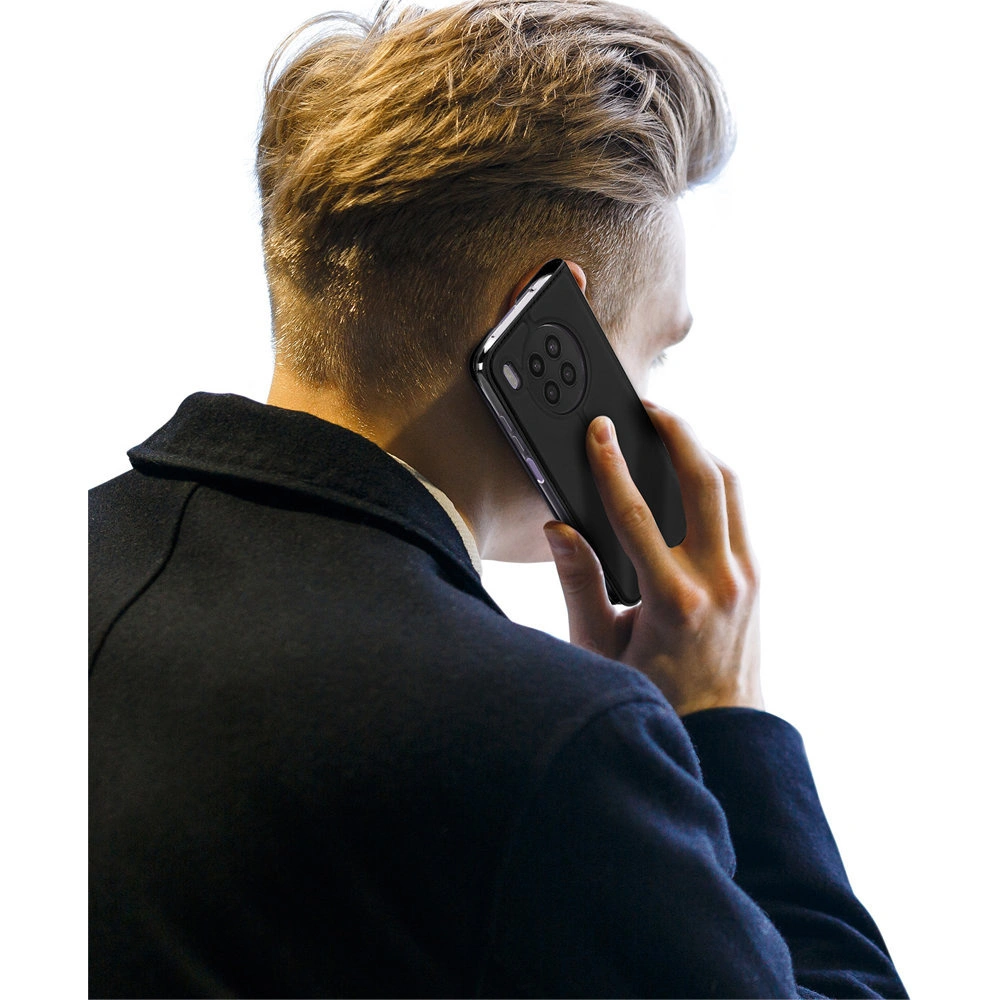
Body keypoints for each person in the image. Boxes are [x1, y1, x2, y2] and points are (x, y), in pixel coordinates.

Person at [88, 1, 908, 997]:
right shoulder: (554, 742)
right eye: (654, 354)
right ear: (548, 339)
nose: (653, 409)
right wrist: (724, 721)